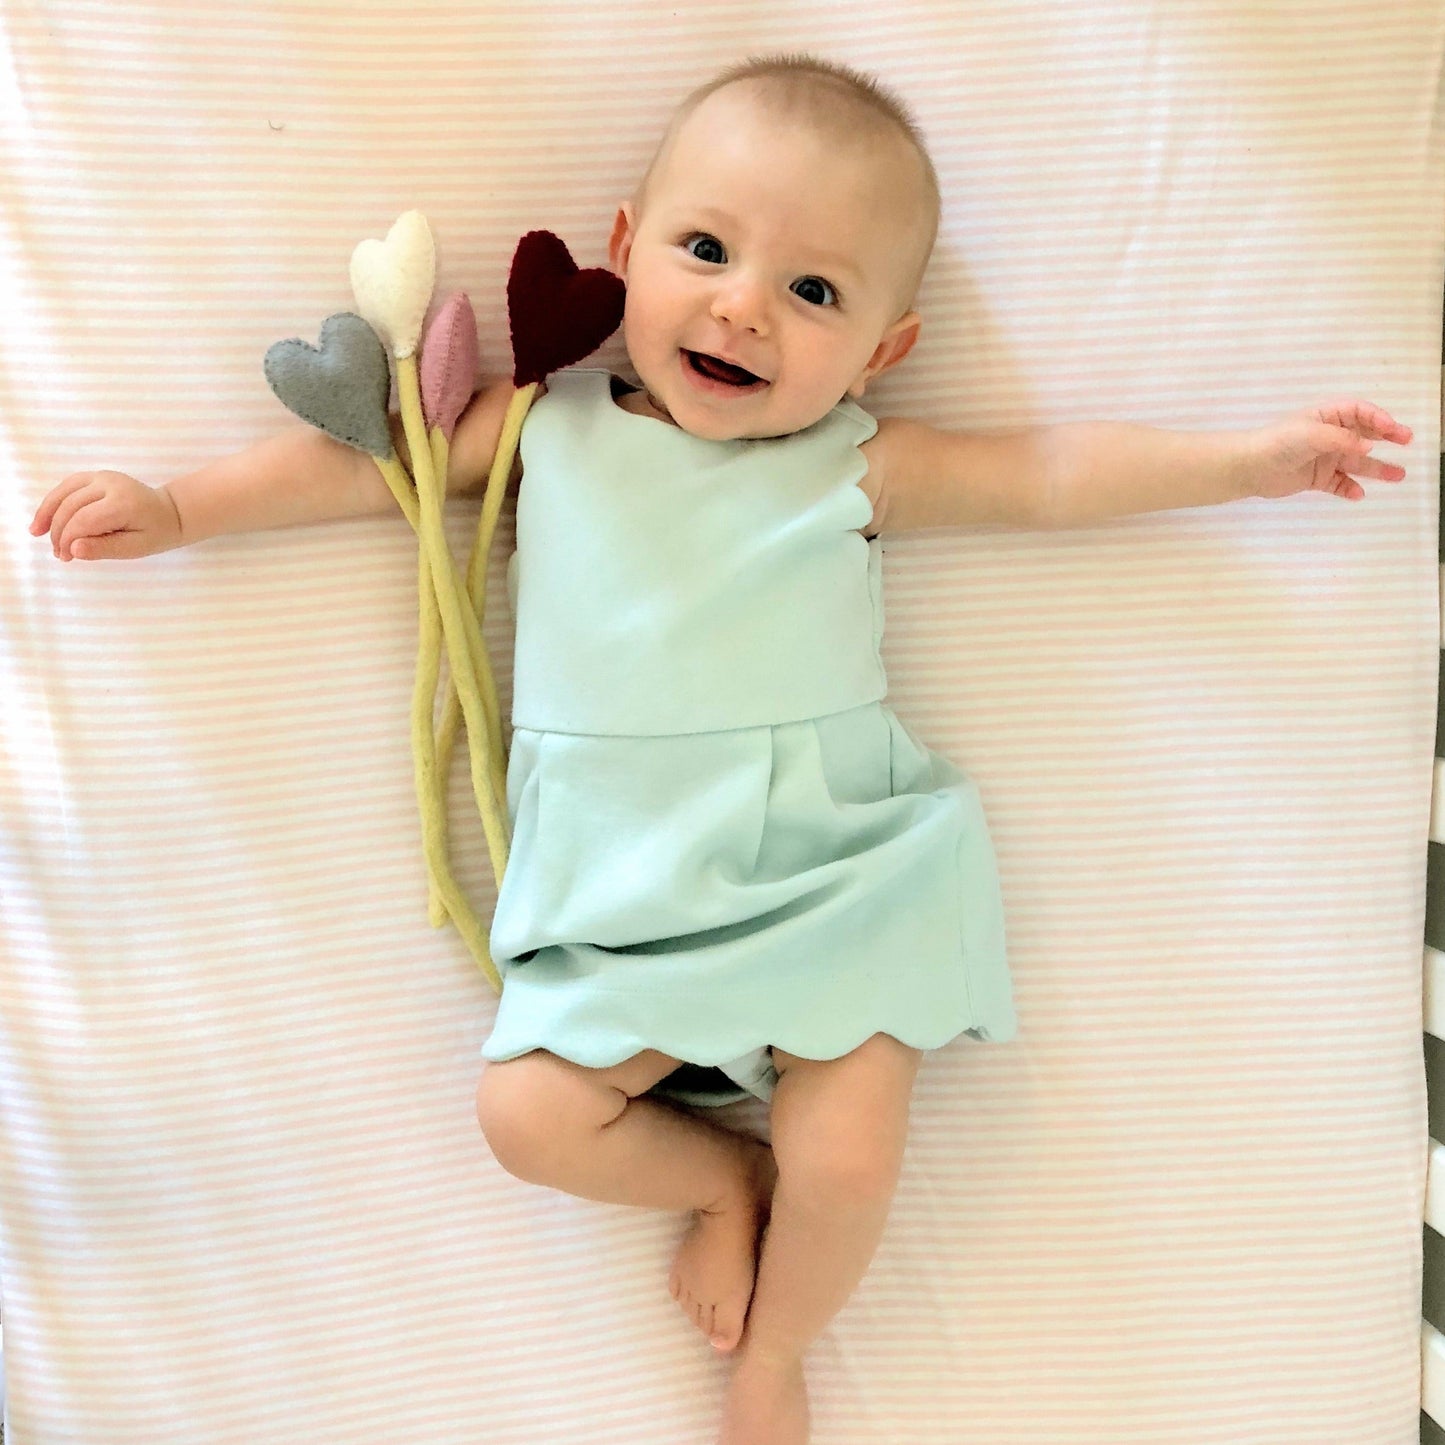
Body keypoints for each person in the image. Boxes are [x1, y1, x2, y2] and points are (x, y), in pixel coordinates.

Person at [29, 52, 1411, 1445]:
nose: (745, 305)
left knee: (849, 1152)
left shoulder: (849, 464)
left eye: (814, 292)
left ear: (878, 351)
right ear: (624, 251)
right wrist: (183, 503)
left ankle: (775, 1349)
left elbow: (1047, 472)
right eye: (706, 249)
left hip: (835, 871)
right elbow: (369, 466)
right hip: (621, 894)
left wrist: (1244, 460)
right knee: (526, 1118)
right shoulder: (542, 431)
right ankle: (713, 1185)